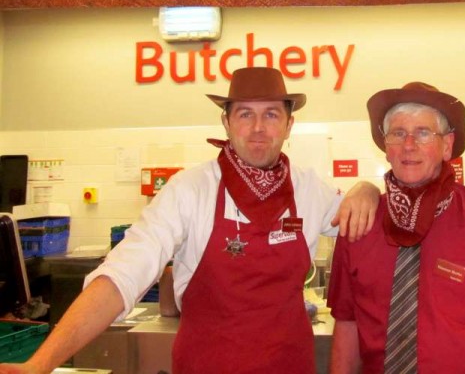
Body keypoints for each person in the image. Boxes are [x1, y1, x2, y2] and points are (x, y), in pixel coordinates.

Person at [0, 67, 380, 374]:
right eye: (245, 114)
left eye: (271, 114)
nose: (259, 127)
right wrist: (41, 363)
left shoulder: (308, 189)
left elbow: (367, 220)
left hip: (289, 366)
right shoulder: (190, 190)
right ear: (226, 122)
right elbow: (121, 276)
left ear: (289, 125)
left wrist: (367, 189)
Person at [327, 82, 465, 374]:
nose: (409, 145)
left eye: (423, 133)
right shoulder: (360, 222)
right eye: (398, 133)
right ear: (386, 146)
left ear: (447, 146)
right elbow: (347, 324)